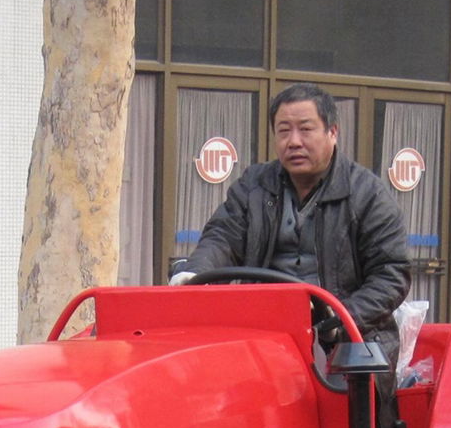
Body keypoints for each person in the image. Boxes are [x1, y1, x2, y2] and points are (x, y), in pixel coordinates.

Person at [173, 82, 410, 363]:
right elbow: (223, 236)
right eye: (284, 131)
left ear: (332, 132)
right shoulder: (254, 185)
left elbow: (390, 274)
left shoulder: (368, 194)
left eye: (306, 129)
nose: (294, 141)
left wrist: (340, 320)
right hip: (263, 336)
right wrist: (196, 273)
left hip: (344, 343)